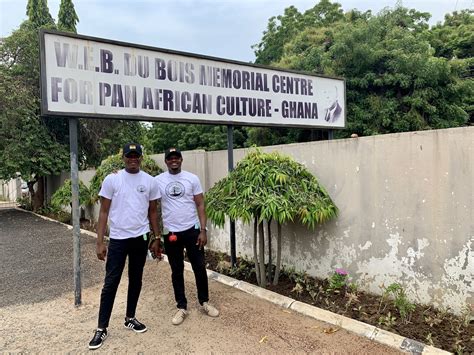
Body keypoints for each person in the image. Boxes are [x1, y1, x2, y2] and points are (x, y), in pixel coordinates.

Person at [88, 143, 162, 350]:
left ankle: (130, 317)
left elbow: (153, 212)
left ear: (141, 158)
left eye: (136, 156)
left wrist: (156, 237)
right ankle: (101, 328)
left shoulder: (149, 181)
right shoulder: (112, 179)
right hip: (119, 239)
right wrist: (100, 242)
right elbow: (103, 212)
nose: (133, 159)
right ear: (123, 158)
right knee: (110, 283)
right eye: (129, 156)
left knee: (136, 280)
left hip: (140, 237)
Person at [152, 147, 219, 326]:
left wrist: (203, 230)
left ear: (181, 160)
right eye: (170, 158)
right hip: (171, 233)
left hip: (192, 230)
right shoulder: (158, 181)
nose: (174, 160)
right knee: (177, 270)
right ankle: (181, 307)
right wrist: (156, 236)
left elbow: (200, 205)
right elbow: (151, 207)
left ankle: (204, 302)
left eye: (177, 158)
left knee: (199, 267)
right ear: (166, 161)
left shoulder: (192, 179)